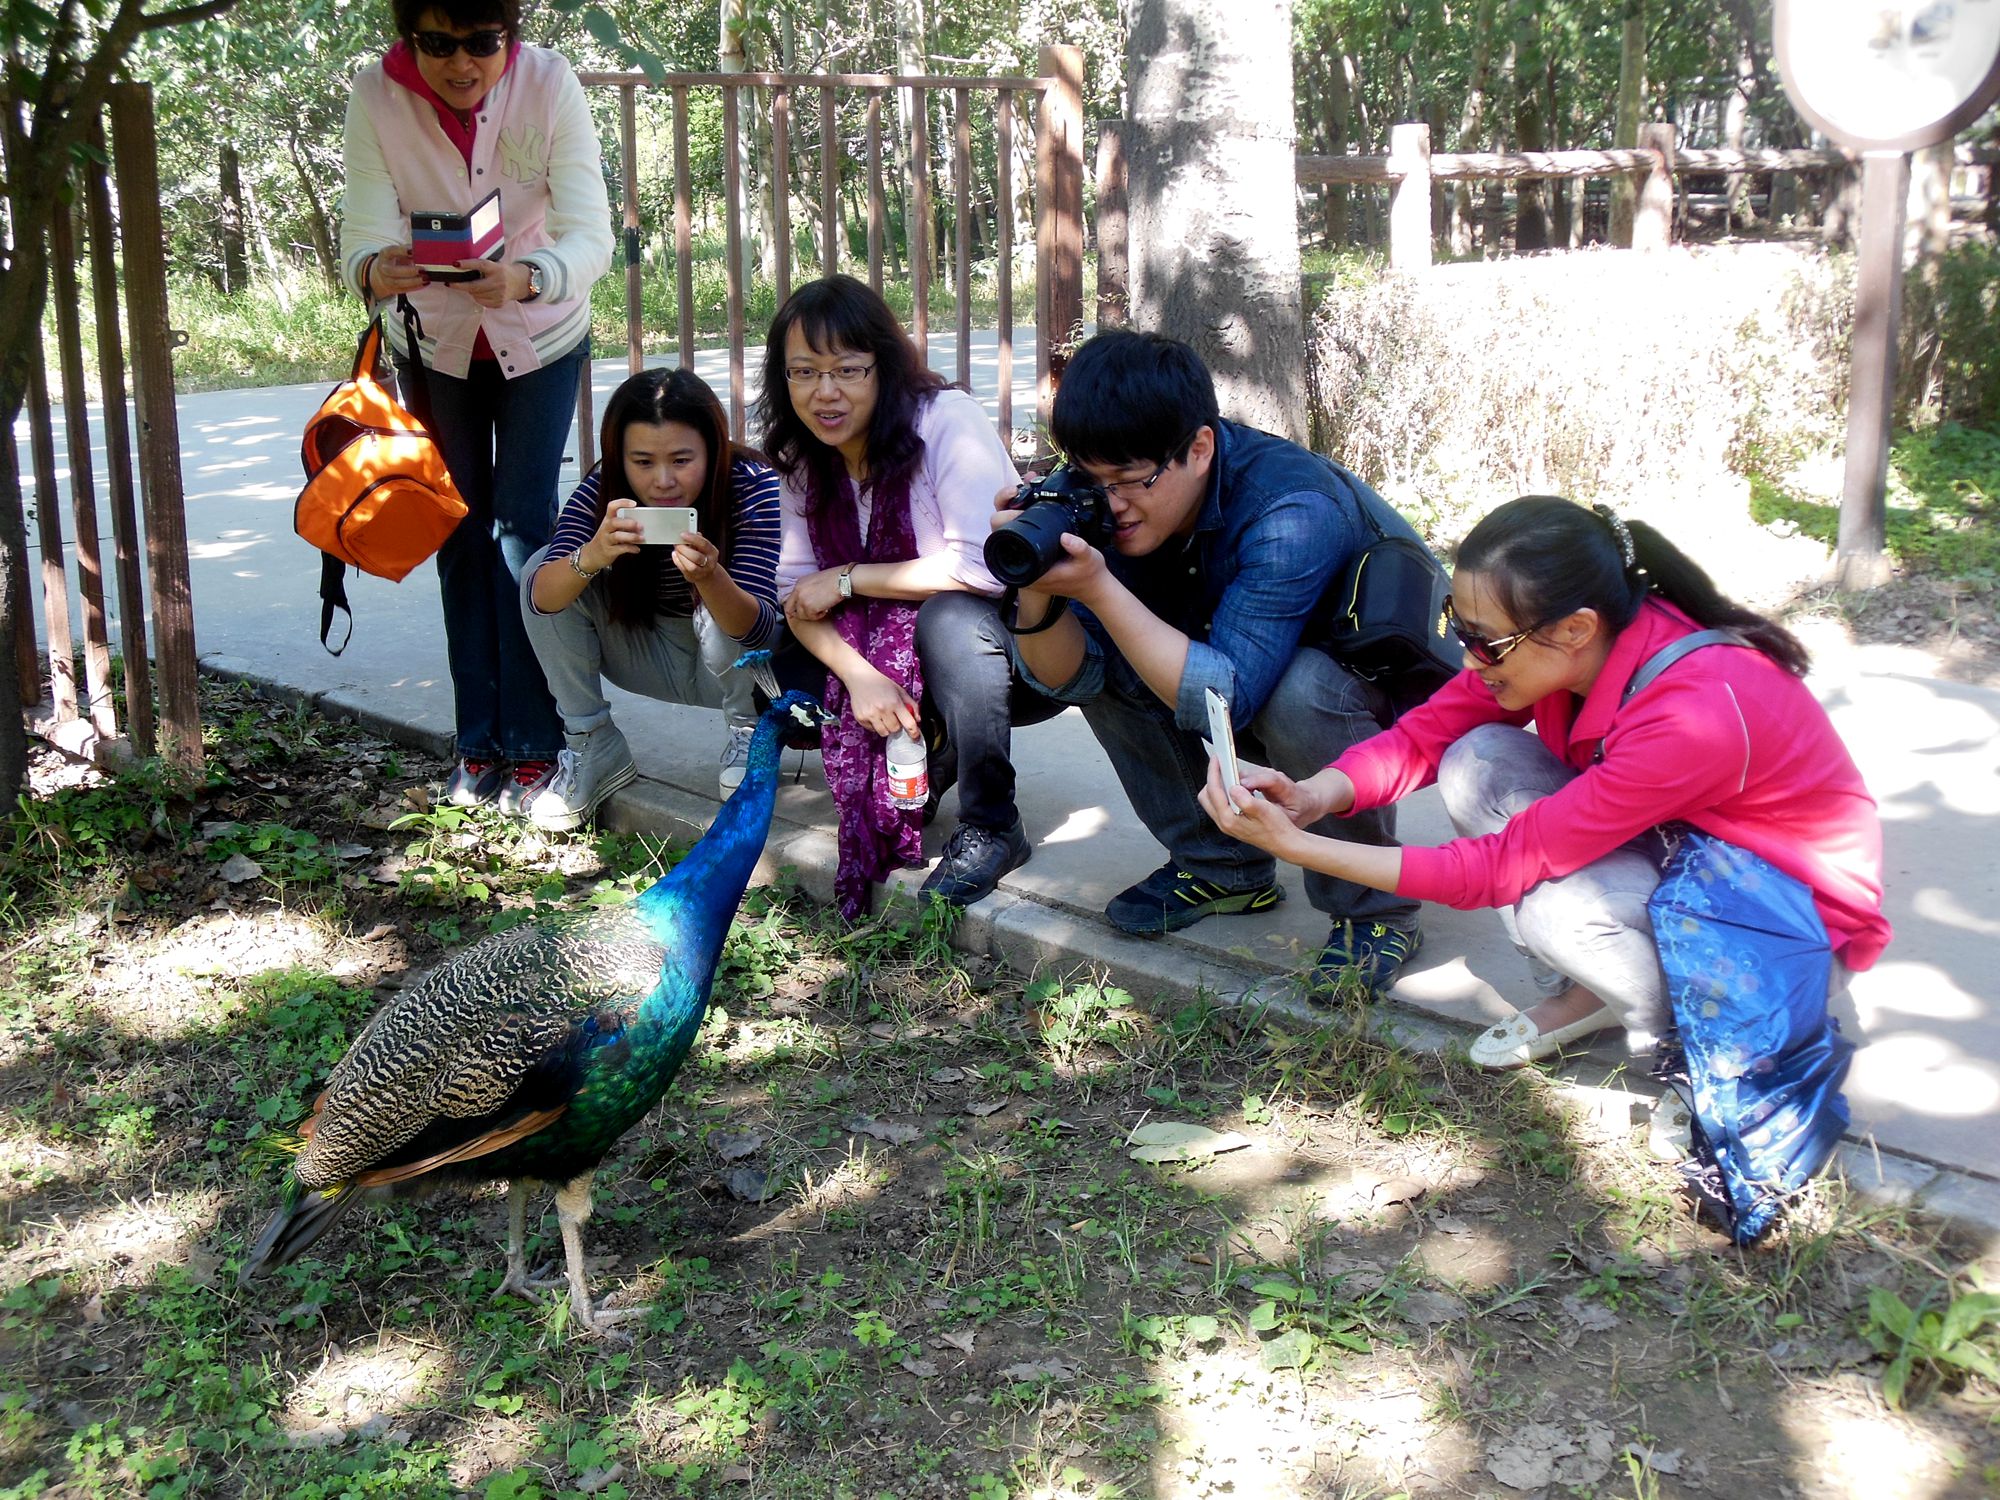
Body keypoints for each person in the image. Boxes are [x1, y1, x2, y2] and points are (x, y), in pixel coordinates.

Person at [1196, 494, 1891, 1074]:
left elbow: (1497, 868)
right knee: (1477, 758)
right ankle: (1596, 992)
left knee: (1558, 912)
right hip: (1695, 859)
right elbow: (1426, 736)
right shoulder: (1567, 648)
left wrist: (1303, 849)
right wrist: (1315, 795)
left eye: (1486, 642)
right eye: (1458, 628)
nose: (1471, 658)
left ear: (1575, 629)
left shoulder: (1692, 713)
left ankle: (1709, 1054)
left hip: (1785, 932)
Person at [1004, 329, 1433, 999]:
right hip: (1236, 668)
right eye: (1091, 478)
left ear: (1199, 448)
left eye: (1129, 481)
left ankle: (1375, 907)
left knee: (1297, 690)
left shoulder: (1291, 508)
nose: (1110, 504)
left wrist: (1099, 589)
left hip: (1384, 706)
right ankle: (1223, 868)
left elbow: (1227, 698)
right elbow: (1065, 678)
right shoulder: (1105, 493)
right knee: (1112, 651)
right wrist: (1034, 584)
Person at [340, 0, 612, 815]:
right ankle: (478, 740)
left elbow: (590, 233)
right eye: (438, 44)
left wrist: (531, 276)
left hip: (543, 332)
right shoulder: (375, 94)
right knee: (457, 529)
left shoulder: (551, 83)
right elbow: (363, 228)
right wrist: (375, 266)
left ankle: (536, 740)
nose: (462, 63)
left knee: (523, 527)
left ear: (509, 36)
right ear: (409, 39)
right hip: (434, 344)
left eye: (482, 43)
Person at [758, 275, 1059, 919]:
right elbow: (796, 597)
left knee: (950, 620)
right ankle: (931, 752)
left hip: (1005, 645)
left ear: (885, 367)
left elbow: (982, 569)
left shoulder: (945, 420)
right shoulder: (802, 457)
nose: (825, 392)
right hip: (881, 652)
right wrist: (860, 676)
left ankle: (993, 824)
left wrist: (849, 577)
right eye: (804, 372)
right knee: (787, 662)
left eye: (847, 370)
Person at [518, 368, 783, 827]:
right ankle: (592, 743)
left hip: (743, 669)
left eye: (682, 460)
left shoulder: (752, 485)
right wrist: (592, 556)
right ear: (620, 458)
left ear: (713, 450)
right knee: (543, 566)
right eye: (642, 462)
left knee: (720, 607)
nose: (663, 481)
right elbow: (541, 599)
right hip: (646, 654)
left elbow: (760, 627)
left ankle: (751, 734)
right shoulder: (603, 490)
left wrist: (710, 579)